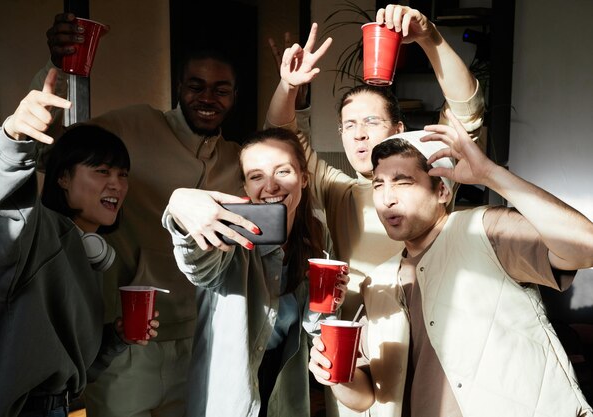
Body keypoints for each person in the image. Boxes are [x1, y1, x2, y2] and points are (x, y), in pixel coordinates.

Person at [266, 5, 484, 416]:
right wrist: (287, 87)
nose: (360, 133)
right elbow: (281, 140)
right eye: (349, 125)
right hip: (356, 350)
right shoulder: (338, 190)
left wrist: (429, 38)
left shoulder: (430, 174)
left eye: (371, 121)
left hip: (433, 334)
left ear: (399, 131)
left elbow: (466, 112)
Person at [308, 109, 593, 417]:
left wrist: (492, 175)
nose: (386, 198)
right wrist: (333, 375)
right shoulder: (379, 281)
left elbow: (585, 248)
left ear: (442, 190)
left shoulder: (484, 230)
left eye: (402, 183)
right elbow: (365, 395)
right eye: (379, 185)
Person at [31, 12, 244, 416]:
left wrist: (292, 91)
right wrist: (54, 65)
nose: (207, 98)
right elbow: (51, 151)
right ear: (179, 88)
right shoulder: (134, 124)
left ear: (235, 96)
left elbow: (285, 160)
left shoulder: (236, 158)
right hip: (127, 344)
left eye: (221, 89)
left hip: (201, 342)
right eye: (196, 86)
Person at [0, 68, 159, 417]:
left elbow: (74, 371)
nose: (116, 184)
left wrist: (116, 339)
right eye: (102, 171)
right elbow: (3, 196)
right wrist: (13, 137)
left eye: (122, 175)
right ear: (64, 179)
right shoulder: (37, 234)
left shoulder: (89, 254)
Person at [162, 127, 349, 417]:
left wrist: (331, 296)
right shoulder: (231, 233)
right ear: (246, 188)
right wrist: (180, 210)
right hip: (231, 392)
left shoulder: (315, 233)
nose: (271, 186)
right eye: (256, 176)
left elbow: (316, 326)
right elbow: (200, 270)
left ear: (304, 178)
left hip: (285, 384)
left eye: (283, 172)